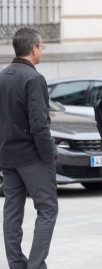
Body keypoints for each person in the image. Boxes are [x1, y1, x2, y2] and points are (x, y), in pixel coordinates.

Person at [0, 27, 57, 269]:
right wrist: (49, 155)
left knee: (12, 211)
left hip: (7, 156)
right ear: (34, 49)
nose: (41, 51)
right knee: (47, 209)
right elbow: (39, 124)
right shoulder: (34, 78)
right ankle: (35, 266)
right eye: (41, 47)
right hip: (32, 156)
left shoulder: (2, 75)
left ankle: (16, 264)